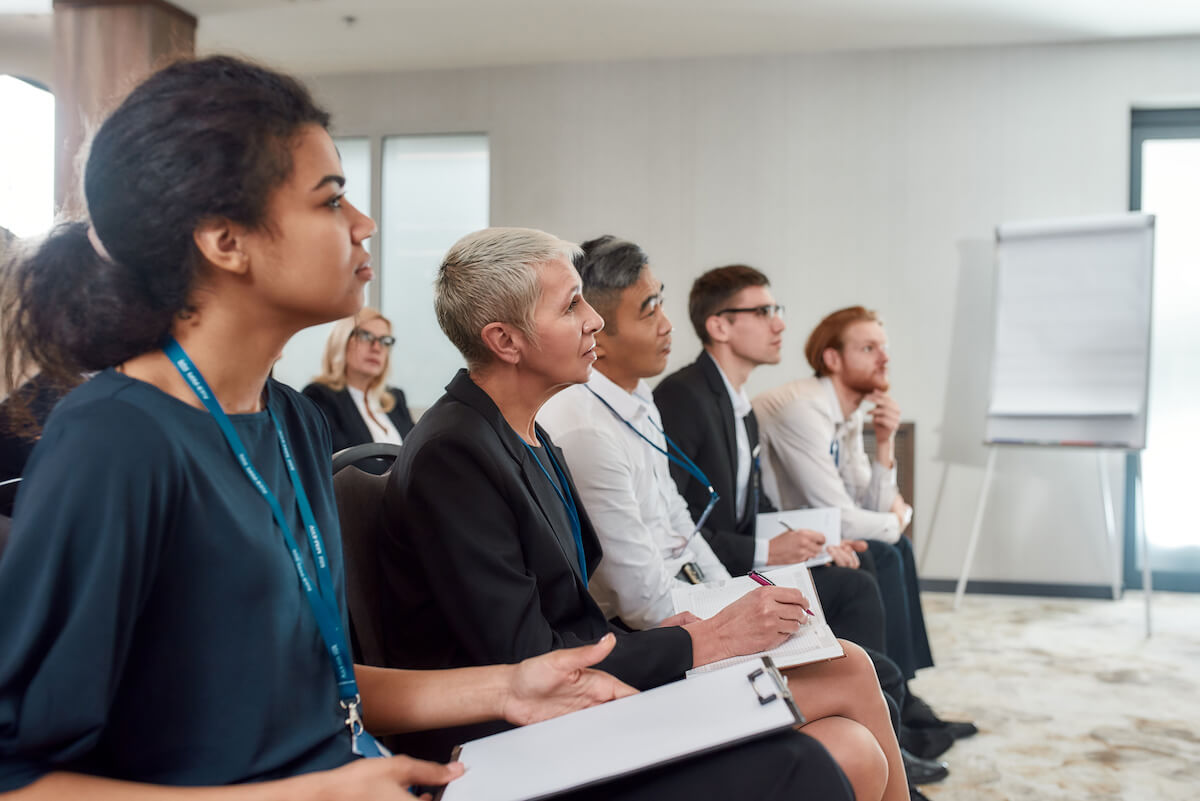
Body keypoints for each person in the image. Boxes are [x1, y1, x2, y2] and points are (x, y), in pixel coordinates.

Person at [0, 56, 646, 801]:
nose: (364, 224)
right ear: (224, 240)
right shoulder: (115, 438)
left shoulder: (293, 421)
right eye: (331, 199)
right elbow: (19, 776)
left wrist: (507, 687)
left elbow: (319, 681)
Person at [380, 226, 910, 801]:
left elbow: (569, 618)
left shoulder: (524, 430)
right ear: (506, 340)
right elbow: (526, 659)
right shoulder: (454, 453)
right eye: (571, 305)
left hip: (583, 685)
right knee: (846, 746)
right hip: (515, 736)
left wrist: (675, 634)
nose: (595, 321)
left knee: (850, 673)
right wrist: (700, 642)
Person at [752, 305, 978, 742]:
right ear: (833, 359)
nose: (884, 358)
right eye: (869, 348)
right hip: (777, 539)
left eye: (884, 348)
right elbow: (843, 516)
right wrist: (895, 520)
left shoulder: (848, 415)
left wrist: (887, 445)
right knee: (885, 548)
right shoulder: (805, 408)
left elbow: (860, 500)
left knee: (898, 549)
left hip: (818, 530)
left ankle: (903, 695)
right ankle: (891, 706)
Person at [303, 308, 415, 456]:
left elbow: (417, 456)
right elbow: (342, 465)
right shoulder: (319, 397)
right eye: (365, 336)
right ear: (341, 341)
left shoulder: (395, 399)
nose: (377, 348)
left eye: (384, 340)